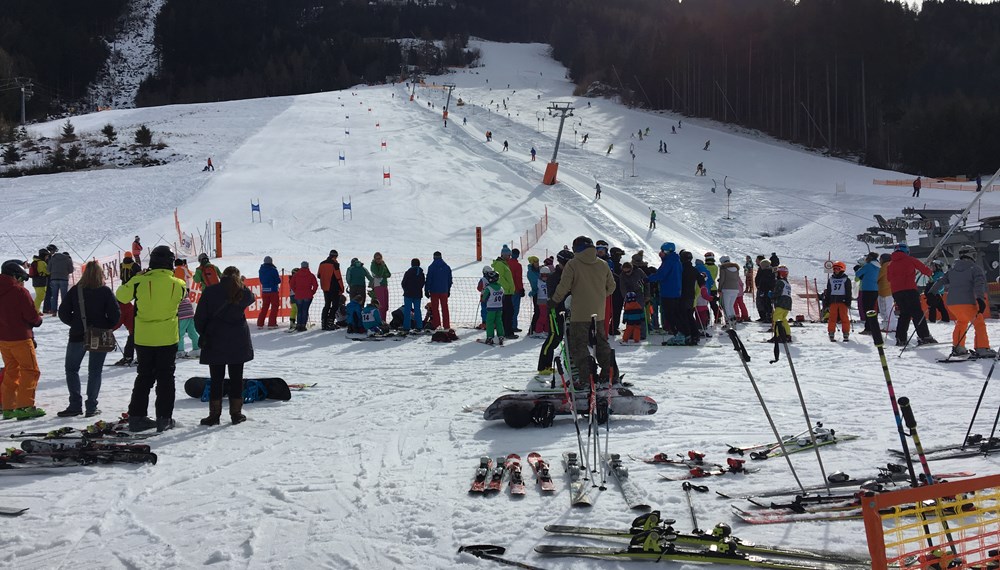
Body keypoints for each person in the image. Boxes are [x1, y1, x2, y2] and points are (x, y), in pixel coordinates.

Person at [115, 245, 186, 432]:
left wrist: (139, 278)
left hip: (144, 338)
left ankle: (137, 417)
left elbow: (121, 295)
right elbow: (183, 295)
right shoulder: (178, 284)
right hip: (168, 338)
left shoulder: (140, 281)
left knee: (144, 377)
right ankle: (164, 419)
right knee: (166, 379)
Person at [55, 261, 120, 417]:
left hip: (78, 335)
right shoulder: (105, 291)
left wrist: (76, 323)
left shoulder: (76, 290)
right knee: (95, 371)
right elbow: (115, 315)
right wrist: (105, 326)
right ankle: (91, 406)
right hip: (99, 334)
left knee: (71, 369)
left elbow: (63, 312)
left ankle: (75, 404)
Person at [549, 236, 617, 385]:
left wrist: (554, 301)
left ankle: (586, 378)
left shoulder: (573, 264)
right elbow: (612, 286)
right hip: (598, 312)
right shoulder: (603, 264)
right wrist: (598, 295)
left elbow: (564, 286)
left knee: (579, 345)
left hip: (579, 312)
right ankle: (609, 375)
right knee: (601, 343)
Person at [194, 266, 255, 426]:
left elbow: (199, 317)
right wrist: (241, 284)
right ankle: (236, 414)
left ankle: (214, 415)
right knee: (236, 378)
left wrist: (204, 333)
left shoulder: (210, 291)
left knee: (216, 379)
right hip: (237, 340)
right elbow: (252, 297)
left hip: (214, 340)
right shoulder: (241, 292)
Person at [0, 260, 44, 420]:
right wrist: (37, 320)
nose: (21, 281)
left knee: (12, 370)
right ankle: (25, 406)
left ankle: (8, 407)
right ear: (14, 275)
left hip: (3, 339)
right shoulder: (19, 292)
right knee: (30, 370)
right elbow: (30, 315)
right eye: (20, 278)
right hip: (20, 337)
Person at [935, 246, 995, 359]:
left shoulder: (952, 270)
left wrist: (931, 292)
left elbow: (941, 280)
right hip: (968, 302)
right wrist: (980, 299)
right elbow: (979, 285)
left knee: (961, 322)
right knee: (979, 324)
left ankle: (958, 347)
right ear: (972, 255)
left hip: (952, 303)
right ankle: (982, 348)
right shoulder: (975, 268)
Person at [887, 243, 936, 347]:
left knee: (904, 314)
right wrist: (930, 274)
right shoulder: (910, 259)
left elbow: (888, 278)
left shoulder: (890, 264)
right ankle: (924, 336)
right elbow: (923, 269)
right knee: (917, 313)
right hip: (909, 289)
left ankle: (900, 338)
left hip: (896, 292)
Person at [537, 250, 572, 373]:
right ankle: (543, 366)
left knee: (562, 338)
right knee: (553, 337)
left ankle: (566, 365)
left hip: (567, 311)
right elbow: (553, 295)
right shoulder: (554, 277)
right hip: (555, 311)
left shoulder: (570, 275)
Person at [648, 242, 683, 340]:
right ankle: (680, 333)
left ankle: (679, 334)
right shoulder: (676, 261)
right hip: (676, 291)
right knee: (674, 313)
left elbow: (661, 274)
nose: (660, 253)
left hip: (669, 292)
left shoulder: (669, 261)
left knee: (670, 314)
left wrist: (648, 279)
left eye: (662, 251)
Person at [824, 261, 853, 342]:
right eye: (834, 268)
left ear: (842, 269)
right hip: (833, 301)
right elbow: (828, 291)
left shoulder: (846, 279)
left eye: (838, 268)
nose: (836, 270)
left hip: (843, 301)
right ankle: (831, 332)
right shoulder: (831, 279)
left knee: (844, 317)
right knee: (832, 318)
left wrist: (848, 301)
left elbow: (848, 291)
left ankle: (846, 333)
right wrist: (827, 301)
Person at [493, 246, 516, 339]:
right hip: (505, 292)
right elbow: (500, 278)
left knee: (508, 312)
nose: (510, 257)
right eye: (508, 255)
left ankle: (507, 331)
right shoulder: (500, 264)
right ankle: (507, 332)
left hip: (508, 292)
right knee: (508, 312)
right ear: (504, 255)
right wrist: (507, 287)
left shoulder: (504, 264)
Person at [854, 252, 881, 334]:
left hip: (867, 289)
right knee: (872, 309)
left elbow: (858, 274)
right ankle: (874, 327)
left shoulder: (868, 266)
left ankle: (868, 328)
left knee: (867, 310)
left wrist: (858, 269)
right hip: (875, 289)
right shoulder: (879, 266)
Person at [318, 250, 345, 331]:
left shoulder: (322, 263)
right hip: (334, 288)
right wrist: (342, 288)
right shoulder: (335, 264)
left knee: (327, 305)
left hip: (325, 287)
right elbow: (338, 277)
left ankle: (324, 323)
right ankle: (330, 323)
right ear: (336, 256)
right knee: (335, 305)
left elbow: (319, 275)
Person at [425, 251, 452, 330]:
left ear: (434, 257)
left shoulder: (431, 267)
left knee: (435, 308)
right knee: (445, 308)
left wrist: (426, 290)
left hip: (434, 291)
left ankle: (437, 325)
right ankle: (446, 325)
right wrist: (448, 289)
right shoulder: (447, 267)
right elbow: (449, 280)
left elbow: (429, 279)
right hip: (444, 290)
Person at [289, 261, 318, 332]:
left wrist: (296, 291)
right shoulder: (311, 275)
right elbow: (315, 285)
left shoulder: (296, 275)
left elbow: (291, 284)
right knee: (305, 310)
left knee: (299, 311)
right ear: (308, 266)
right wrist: (312, 292)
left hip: (298, 295)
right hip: (308, 295)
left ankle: (298, 325)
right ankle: (303, 325)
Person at [768, 266, 793, 342]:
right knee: (783, 319)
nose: (776, 275)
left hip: (781, 302)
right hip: (787, 303)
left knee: (776, 319)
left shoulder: (780, 282)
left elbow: (778, 292)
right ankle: (787, 335)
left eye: (777, 273)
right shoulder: (787, 283)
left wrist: (772, 295)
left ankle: (778, 336)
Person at [480, 270, 505, 344]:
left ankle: (490, 337)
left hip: (491, 308)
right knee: (499, 322)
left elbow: (484, 299)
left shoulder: (489, 288)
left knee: (490, 322)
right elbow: (503, 297)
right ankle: (501, 336)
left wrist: (483, 297)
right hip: (499, 307)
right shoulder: (501, 287)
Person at [400, 258, 425, 332]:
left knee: (407, 310)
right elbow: (422, 283)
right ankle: (419, 326)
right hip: (418, 294)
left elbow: (403, 283)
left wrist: (405, 290)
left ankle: (406, 327)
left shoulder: (408, 272)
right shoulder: (421, 273)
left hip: (408, 294)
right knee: (417, 310)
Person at [717, 255, 742, 325]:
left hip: (726, 289)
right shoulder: (736, 268)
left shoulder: (723, 268)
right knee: (731, 305)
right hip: (735, 289)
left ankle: (729, 322)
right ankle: (733, 321)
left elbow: (722, 280)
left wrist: (719, 289)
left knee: (726, 306)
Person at [257, 256, 281, 328]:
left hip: (264, 290)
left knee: (265, 307)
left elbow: (261, 280)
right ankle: (272, 323)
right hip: (273, 291)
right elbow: (278, 280)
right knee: (274, 306)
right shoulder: (273, 270)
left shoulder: (261, 270)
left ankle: (260, 323)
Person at [46, 250, 73, 314]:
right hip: (64, 279)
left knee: (54, 296)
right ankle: (64, 310)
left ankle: (53, 311)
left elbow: (48, 269)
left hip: (54, 279)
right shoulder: (68, 260)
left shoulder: (53, 259)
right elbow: (71, 270)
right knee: (64, 296)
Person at [877, 253, 897, 333]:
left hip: (883, 291)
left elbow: (877, 277)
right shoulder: (893, 265)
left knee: (884, 310)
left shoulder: (884, 267)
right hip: (891, 290)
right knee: (891, 309)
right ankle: (893, 326)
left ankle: (887, 327)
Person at [369, 252, 391, 325]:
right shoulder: (373, 265)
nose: (379, 260)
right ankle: (380, 321)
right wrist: (382, 267)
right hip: (378, 286)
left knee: (385, 305)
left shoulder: (383, 264)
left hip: (384, 285)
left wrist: (383, 274)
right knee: (380, 305)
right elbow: (379, 274)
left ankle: (383, 320)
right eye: (377, 259)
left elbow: (389, 274)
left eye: (380, 258)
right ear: (374, 259)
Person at [508, 248, 525, 332]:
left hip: (507, 290)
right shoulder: (518, 265)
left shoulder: (507, 263)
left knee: (507, 308)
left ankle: (507, 324)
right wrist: (521, 289)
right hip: (515, 290)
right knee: (515, 309)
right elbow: (518, 278)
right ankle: (513, 325)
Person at [29, 249, 49, 313]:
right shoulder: (42, 262)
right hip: (41, 281)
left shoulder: (35, 261)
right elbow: (47, 272)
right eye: (46, 256)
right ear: (44, 256)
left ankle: (36, 310)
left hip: (35, 281)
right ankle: (35, 311)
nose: (47, 258)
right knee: (40, 297)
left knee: (38, 296)